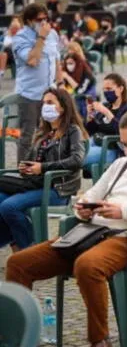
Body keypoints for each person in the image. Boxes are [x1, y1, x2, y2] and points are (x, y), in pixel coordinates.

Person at [6, 108, 127, 347]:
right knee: (18, 263)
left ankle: (99, 340)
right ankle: (15, 336)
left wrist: (123, 211)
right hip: (89, 235)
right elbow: (91, 195)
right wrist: (83, 208)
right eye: (123, 144)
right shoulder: (121, 165)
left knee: (88, 265)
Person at [0, 88, 87, 252]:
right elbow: (34, 161)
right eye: (43, 103)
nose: (44, 106)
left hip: (57, 189)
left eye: (50, 103)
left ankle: (30, 250)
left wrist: (43, 168)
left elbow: (77, 160)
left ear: (62, 107)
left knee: (8, 207)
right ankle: (16, 239)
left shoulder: (72, 131)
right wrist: (26, 167)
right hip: (36, 184)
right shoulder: (43, 133)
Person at [13, 3, 61, 163]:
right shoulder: (20, 38)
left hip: (50, 93)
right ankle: (24, 170)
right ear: (28, 20)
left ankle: (45, 167)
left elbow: (56, 60)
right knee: (28, 135)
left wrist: (60, 85)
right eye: (39, 19)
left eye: (45, 19)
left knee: (52, 132)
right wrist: (41, 37)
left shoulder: (52, 34)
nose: (43, 22)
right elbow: (32, 60)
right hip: (30, 95)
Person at [84, 73, 127, 170]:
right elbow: (91, 131)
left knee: (79, 157)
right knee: (75, 152)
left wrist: (107, 112)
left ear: (120, 89)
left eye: (109, 89)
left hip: (112, 150)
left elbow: (122, 131)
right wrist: (90, 116)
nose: (106, 92)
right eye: (104, 89)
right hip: (96, 143)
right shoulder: (106, 106)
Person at [60, 52, 97, 118]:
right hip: (73, 98)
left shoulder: (87, 75)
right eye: (67, 64)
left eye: (71, 63)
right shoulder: (65, 72)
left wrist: (68, 77)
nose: (68, 66)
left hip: (85, 98)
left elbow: (80, 90)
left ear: (77, 63)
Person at [0, 16, 22, 84]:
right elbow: (5, 44)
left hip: (19, 54)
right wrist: (9, 35)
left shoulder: (22, 33)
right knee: (4, 52)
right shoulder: (7, 34)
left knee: (7, 50)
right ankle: (1, 73)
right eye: (13, 21)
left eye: (16, 21)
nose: (14, 23)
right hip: (9, 54)